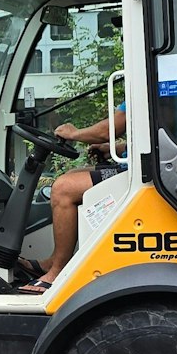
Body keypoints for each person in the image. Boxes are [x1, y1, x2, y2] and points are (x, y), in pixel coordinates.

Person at [24, 108, 129, 294]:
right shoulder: (173, 85)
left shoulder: (150, 81)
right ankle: (55, 260)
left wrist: (74, 133)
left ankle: (59, 271)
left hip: (140, 174)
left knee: (63, 189)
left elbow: (107, 131)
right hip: (137, 166)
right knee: (71, 175)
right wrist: (118, 149)